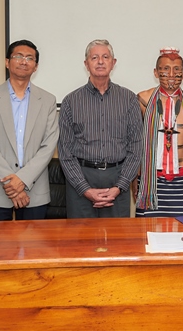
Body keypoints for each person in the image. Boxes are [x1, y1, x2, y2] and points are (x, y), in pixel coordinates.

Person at [58, 39, 143, 218]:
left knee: (116, 235)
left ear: (113, 62)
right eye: (94, 57)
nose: (100, 62)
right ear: (86, 64)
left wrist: (120, 186)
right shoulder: (70, 102)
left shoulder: (128, 99)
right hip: (80, 181)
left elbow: (136, 147)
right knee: (80, 236)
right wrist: (84, 189)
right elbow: (65, 152)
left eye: (105, 57)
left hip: (118, 180)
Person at [0, 40, 58, 221]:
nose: (24, 61)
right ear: (7, 62)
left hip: (35, 191)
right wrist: (12, 184)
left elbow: (49, 145)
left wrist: (22, 180)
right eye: (18, 56)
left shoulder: (48, 100)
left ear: (35, 66)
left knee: (34, 241)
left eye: (29, 58)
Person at [136, 47, 183, 217]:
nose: (172, 74)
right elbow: (135, 143)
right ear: (155, 72)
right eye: (165, 69)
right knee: (148, 229)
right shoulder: (142, 101)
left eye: (177, 69)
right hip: (150, 182)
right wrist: (135, 180)